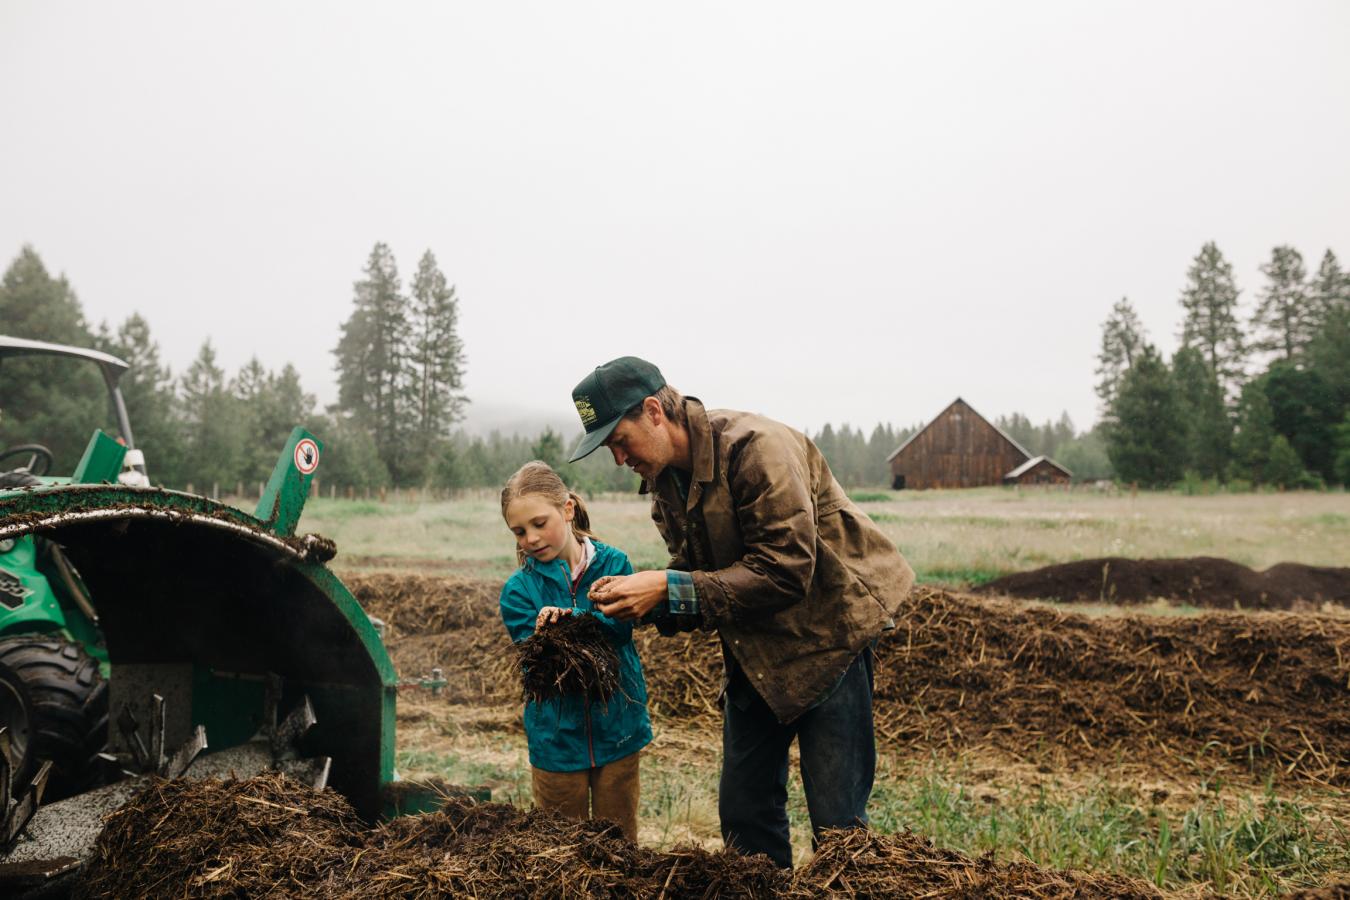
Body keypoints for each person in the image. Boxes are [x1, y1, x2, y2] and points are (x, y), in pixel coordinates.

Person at [570, 357, 915, 868]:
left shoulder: (758, 450)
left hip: (829, 640)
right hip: (755, 653)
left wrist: (668, 587)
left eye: (620, 440)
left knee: (839, 826)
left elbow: (786, 570)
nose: (619, 459)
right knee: (744, 815)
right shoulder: (665, 484)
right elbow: (702, 579)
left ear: (652, 411)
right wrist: (640, 602)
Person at [497, 460, 652, 843]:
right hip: (556, 739)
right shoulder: (518, 592)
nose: (530, 538)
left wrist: (572, 620)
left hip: (617, 726)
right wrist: (547, 635)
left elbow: (618, 628)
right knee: (561, 852)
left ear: (567, 509)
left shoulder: (615, 564)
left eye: (538, 523)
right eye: (519, 531)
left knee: (618, 845)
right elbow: (537, 660)